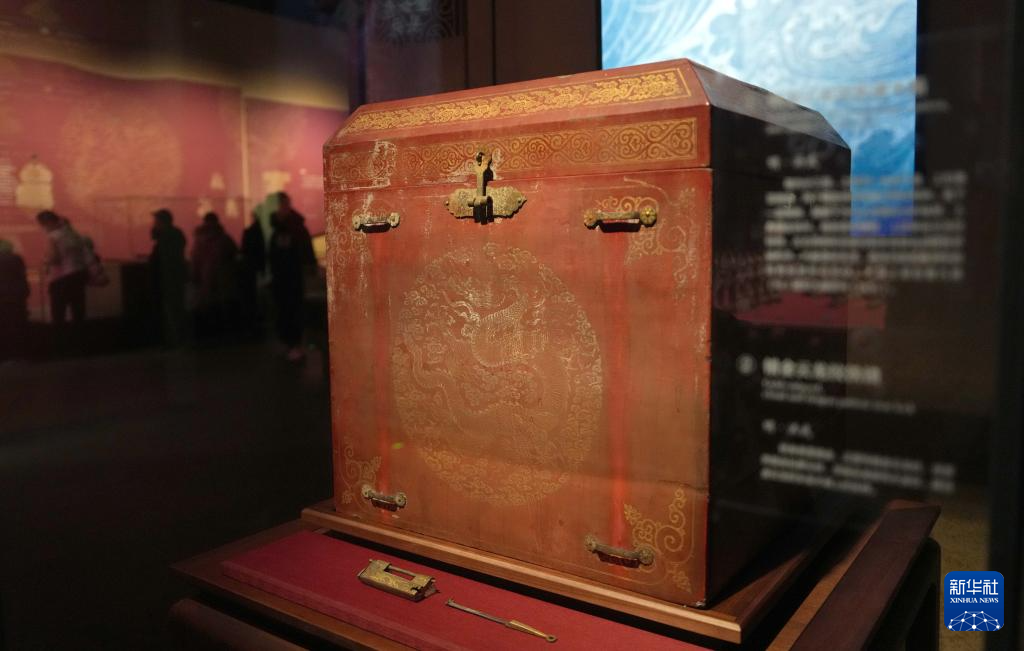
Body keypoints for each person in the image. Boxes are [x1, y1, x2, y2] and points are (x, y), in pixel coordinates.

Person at [268, 192, 315, 361]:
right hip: (284, 279)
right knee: (286, 311)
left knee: (292, 311)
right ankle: (292, 344)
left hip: (292, 279)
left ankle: (295, 345)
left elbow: (305, 254)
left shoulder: (292, 228)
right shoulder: (286, 228)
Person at [37, 211, 90, 352]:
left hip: (61, 278)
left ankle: (60, 346)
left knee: (58, 313)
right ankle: (81, 345)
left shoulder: (53, 236)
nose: (43, 228)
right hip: (78, 275)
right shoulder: (74, 235)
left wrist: (45, 260)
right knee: (78, 311)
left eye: (42, 225)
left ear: (47, 223)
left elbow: (54, 259)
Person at [190, 212, 238, 339]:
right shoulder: (224, 238)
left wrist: (195, 275)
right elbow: (233, 253)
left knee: (209, 307)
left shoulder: (199, 240)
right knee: (221, 307)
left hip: (207, 278)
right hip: (222, 278)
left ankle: (210, 336)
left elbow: (195, 259)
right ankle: (222, 334)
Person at [149, 209, 188, 346]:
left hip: (168, 280)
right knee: (176, 309)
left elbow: (164, 260)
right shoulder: (175, 235)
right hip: (172, 279)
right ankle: (177, 339)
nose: (154, 224)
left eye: (156, 221)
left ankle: (174, 339)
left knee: (172, 310)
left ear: (162, 222)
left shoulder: (167, 237)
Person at [0, 239, 29, 360]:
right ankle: (20, 352)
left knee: (4, 324)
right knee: (18, 324)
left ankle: (6, 353)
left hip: (3, 296)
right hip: (17, 294)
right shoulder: (17, 259)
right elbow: (22, 276)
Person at [239, 210, 266, 334]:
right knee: (257, 294)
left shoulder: (248, 232)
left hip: (249, 267)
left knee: (251, 295)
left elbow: (244, 250)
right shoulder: (260, 232)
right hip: (257, 267)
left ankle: (252, 319)